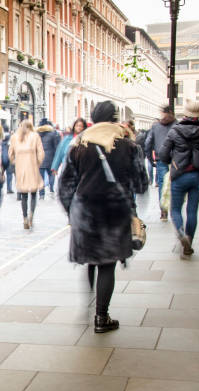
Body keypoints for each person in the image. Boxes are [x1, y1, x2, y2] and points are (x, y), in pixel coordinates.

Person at [58, 100, 148, 333]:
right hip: (114, 211)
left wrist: (72, 211)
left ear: (93, 118)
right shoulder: (129, 146)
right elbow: (140, 184)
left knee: (91, 260)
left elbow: (65, 185)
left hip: (85, 211)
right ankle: (101, 317)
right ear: (115, 118)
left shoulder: (78, 145)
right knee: (107, 265)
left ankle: (90, 303)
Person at [159, 99, 199, 259]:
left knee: (175, 209)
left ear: (185, 112)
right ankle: (188, 244)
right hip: (198, 175)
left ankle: (180, 232)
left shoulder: (175, 131)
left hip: (179, 175)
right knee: (192, 211)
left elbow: (163, 155)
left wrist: (173, 161)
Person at [9, 120, 44, 229]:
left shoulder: (15, 137)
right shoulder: (35, 136)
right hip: (32, 167)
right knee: (33, 193)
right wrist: (37, 163)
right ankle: (31, 215)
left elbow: (10, 153)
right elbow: (41, 153)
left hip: (20, 168)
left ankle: (24, 217)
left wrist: (15, 162)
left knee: (23, 195)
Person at [145, 106, 176, 221]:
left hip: (160, 158)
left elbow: (148, 143)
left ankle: (163, 210)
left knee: (162, 184)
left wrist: (149, 157)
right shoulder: (177, 125)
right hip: (175, 159)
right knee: (174, 183)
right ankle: (174, 208)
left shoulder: (156, 126)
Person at [36, 119, 59, 199]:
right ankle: (51, 188)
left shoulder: (36, 134)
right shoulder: (53, 134)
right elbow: (56, 147)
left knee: (40, 177)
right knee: (51, 174)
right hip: (51, 157)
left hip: (40, 158)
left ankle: (41, 194)